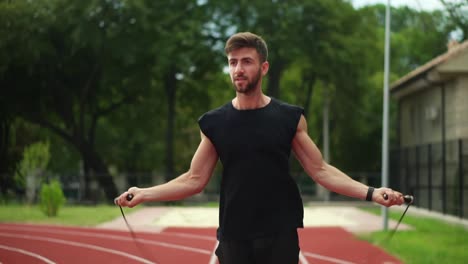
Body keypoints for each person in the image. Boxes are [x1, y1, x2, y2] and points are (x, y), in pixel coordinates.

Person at [115, 32, 405, 264]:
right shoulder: (215, 123)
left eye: (246, 61)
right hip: (234, 235)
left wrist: (371, 193)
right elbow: (194, 180)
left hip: (279, 233)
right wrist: (144, 194)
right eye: (232, 62)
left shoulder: (288, 118)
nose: (238, 69)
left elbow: (320, 170)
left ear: (263, 67)